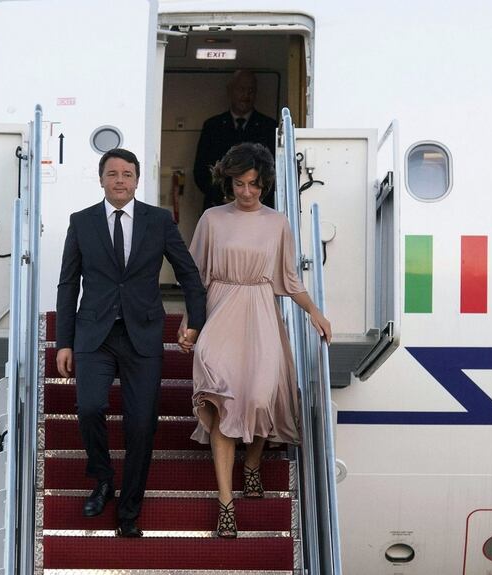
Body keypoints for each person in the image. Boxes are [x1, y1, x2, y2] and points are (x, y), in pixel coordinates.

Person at [178, 142, 332, 539]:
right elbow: (195, 277)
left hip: (262, 311)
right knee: (222, 396)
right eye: (240, 184)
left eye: (254, 185)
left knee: (263, 395)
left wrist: (314, 311)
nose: (247, 192)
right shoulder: (212, 219)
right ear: (228, 182)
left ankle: (252, 463)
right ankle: (226, 504)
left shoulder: (278, 222)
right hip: (221, 309)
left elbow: (289, 278)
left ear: (263, 184)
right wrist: (189, 323)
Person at [56, 148, 207, 538]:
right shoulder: (82, 222)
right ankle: (103, 478)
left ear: (137, 180)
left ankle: (129, 512)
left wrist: (196, 323)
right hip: (95, 335)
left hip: (141, 334)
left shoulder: (158, 221)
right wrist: (64, 342)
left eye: (126, 174)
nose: (119, 180)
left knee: (141, 427)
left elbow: (188, 273)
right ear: (101, 179)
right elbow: (69, 283)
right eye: (112, 174)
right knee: (89, 407)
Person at [193, 70, 279, 210]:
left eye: (251, 90)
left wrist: (254, 197)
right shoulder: (213, 126)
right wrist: (224, 196)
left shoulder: (269, 127)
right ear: (230, 91)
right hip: (219, 206)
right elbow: (201, 171)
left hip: (258, 208)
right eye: (241, 89)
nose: (246, 95)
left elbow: (274, 171)